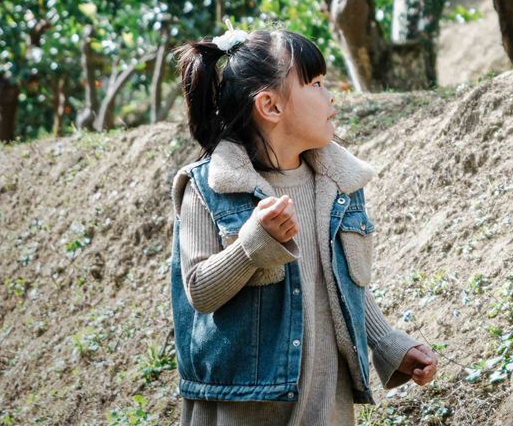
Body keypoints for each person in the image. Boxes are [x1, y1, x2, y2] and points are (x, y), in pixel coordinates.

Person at [168, 27, 437, 426]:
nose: (330, 96)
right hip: (246, 409)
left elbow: (342, 287)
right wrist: (252, 246)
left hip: (328, 406)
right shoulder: (209, 188)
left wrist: (388, 344)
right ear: (270, 106)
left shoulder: (339, 185)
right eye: (314, 83)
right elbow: (200, 291)